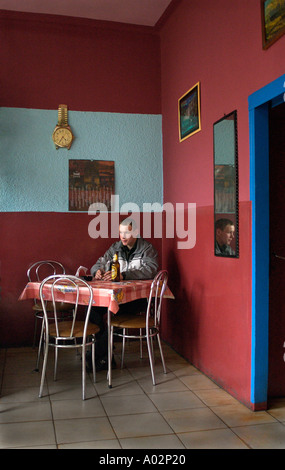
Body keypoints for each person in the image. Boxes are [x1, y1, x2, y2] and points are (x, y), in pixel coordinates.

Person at [88, 217, 159, 371]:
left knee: (116, 313)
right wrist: (97, 271)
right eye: (120, 232)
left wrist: (124, 275)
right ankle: (105, 355)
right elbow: (99, 262)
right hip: (116, 298)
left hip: (138, 299)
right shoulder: (115, 247)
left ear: (136, 232)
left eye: (127, 232)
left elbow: (151, 270)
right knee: (93, 310)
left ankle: (96, 354)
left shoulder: (147, 249)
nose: (123, 236)